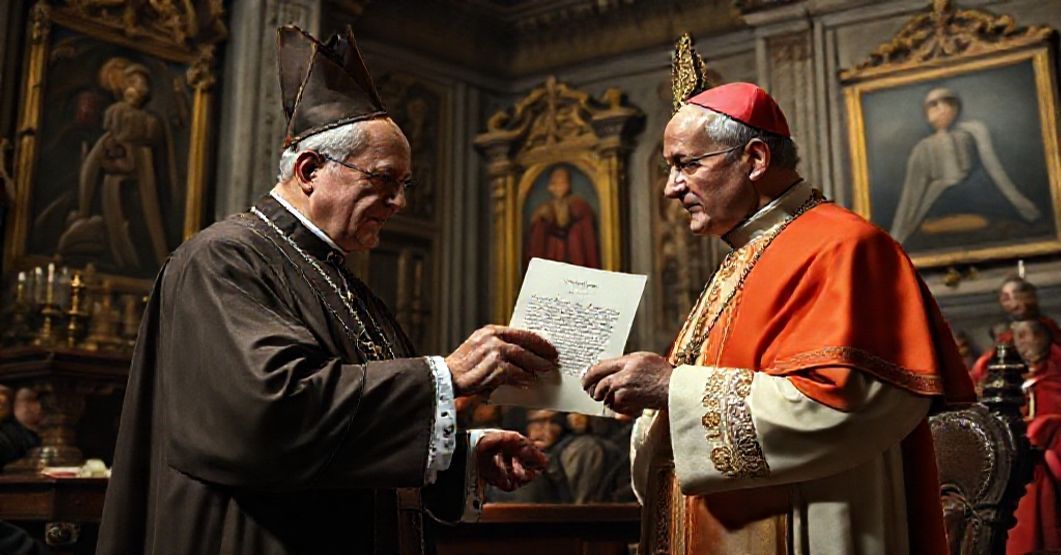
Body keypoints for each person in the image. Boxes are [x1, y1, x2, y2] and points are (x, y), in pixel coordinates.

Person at [97, 26, 556, 555]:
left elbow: (345, 438)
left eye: (403, 186)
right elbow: (265, 416)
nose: (398, 203)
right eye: (383, 180)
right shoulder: (223, 259)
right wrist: (446, 375)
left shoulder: (338, 278)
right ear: (311, 170)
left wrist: (458, 457)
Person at [582, 81, 974, 554]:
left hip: (811, 523)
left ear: (755, 159)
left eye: (687, 164)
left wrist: (671, 388)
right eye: (670, 168)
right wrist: (651, 402)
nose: (671, 188)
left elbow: (841, 405)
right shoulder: (745, 253)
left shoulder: (842, 247)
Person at [890, 87, 1040, 245]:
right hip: (940, 205)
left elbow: (994, 171)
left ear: (957, 109)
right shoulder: (923, 148)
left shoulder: (973, 134)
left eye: (948, 103)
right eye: (934, 105)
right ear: (927, 115)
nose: (942, 109)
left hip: (976, 199)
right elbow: (911, 194)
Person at [1008, 319, 1061, 553]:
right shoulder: (1012, 376)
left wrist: (1040, 427)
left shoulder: (1055, 378)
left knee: (1033, 473)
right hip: (1014, 446)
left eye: (1027, 335)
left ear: (1045, 338)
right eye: (1017, 336)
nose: (1021, 342)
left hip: (1047, 449)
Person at [525, 166, 600, 269]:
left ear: (568, 184)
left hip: (575, 261)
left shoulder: (579, 205)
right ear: (550, 187)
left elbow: (585, 235)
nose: (558, 186)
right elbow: (537, 243)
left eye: (562, 182)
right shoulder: (543, 210)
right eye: (555, 182)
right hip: (552, 260)